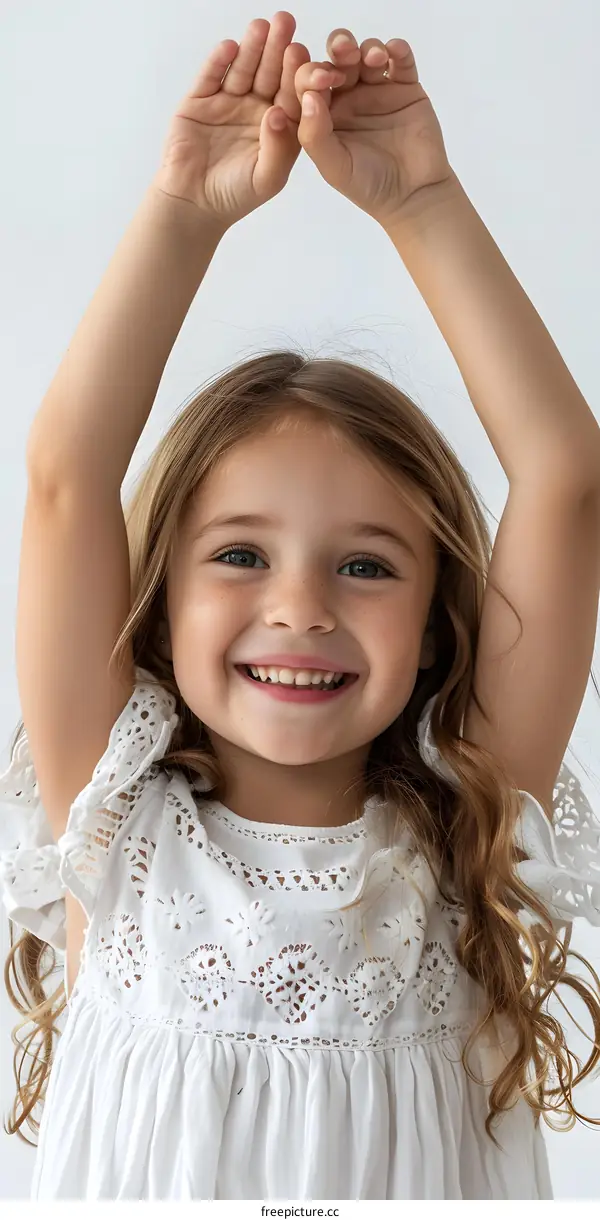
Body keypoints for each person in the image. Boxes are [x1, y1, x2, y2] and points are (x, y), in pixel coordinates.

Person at [1, 12, 600, 1202]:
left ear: (438, 623)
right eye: (237, 555)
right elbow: (69, 474)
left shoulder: (459, 838)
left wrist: (421, 201)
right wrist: (185, 209)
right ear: (155, 603)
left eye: (368, 565)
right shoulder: (115, 824)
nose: (301, 606)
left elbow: (565, 474)